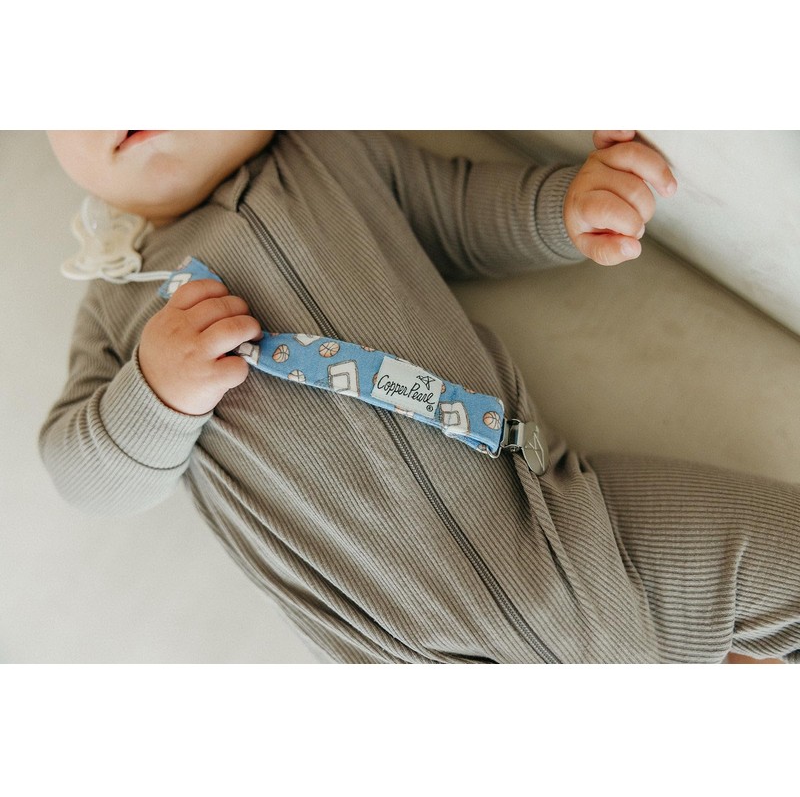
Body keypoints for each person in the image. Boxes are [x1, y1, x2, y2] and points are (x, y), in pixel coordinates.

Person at [40, 130, 799, 663]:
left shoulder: (331, 155)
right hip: (403, 642)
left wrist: (564, 205)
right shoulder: (118, 303)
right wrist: (155, 392)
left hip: (566, 517)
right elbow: (86, 476)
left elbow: (458, 211)